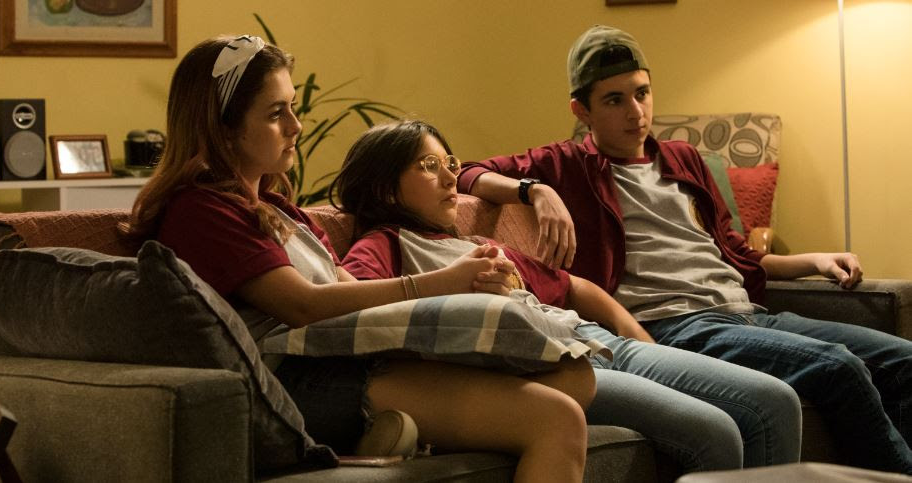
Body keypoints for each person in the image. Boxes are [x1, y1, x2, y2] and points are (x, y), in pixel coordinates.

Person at [122, 34, 601, 483]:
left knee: (574, 376)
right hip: (295, 378)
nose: (296, 126)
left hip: (347, 357)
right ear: (223, 129)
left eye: (292, 107)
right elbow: (302, 305)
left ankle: (397, 435)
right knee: (556, 418)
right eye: (275, 113)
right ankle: (382, 432)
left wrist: (474, 281)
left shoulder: (282, 210)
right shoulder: (202, 210)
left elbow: (348, 287)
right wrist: (442, 283)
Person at [457, 24, 912, 474]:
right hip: (680, 326)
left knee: (903, 360)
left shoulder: (684, 158)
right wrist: (534, 189)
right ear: (582, 110)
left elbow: (735, 252)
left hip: (747, 315)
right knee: (837, 367)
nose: (636, 112)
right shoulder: (566, 164)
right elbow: (465, 172)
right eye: (614, 100)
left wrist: (815, 260)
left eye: (642, 93)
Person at [331, 119, 805, 472]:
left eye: (450, 164)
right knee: (717, 433)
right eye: (429, 166)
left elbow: (575, 287)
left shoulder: (476, 243)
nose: (450, 177)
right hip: (555, 367)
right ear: (385, 188)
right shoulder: (384, 244)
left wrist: (640, 341)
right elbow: (353, 302)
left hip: (603, 343)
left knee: (776, 399)